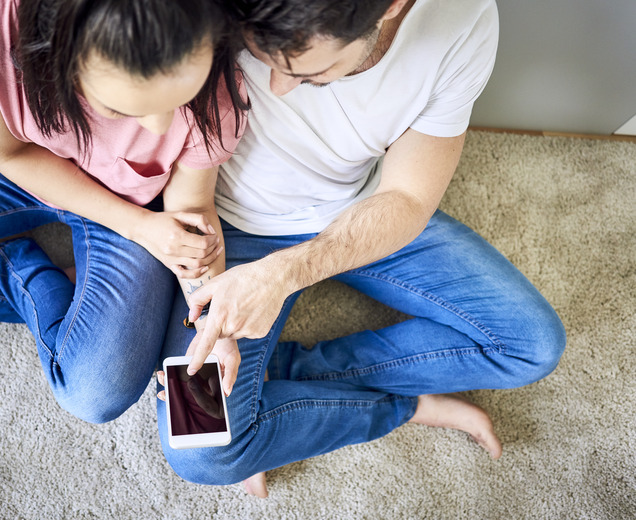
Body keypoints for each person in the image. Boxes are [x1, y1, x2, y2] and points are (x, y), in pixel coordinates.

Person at [155, 0, 566, 497]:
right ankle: (405, 405)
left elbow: (409, 197)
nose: (275, 88)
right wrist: (213, 299)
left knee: (532, 346)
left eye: (313, 71)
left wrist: (285, 274)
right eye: (261, 57)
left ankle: (282, 374)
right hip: (230, 228)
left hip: (362, 213)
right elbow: (188, 197)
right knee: (204, 455)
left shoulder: (464, 17)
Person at [0, 0, 247, 424]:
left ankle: (12, 259)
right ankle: (62, 286)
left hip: (137, 205)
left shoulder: (220, 93)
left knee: (95, 392)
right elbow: (7, 153)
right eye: (122, 109)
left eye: (179, 98)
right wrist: (138, 228)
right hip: (22, 160)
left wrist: (215, 324)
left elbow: (191, 215)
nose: (158, 127)